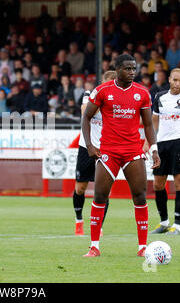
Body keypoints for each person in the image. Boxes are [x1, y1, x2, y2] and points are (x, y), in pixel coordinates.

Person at [82, 54, 160, 257]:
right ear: (117, 69)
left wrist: (154, 149)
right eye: (127, 68)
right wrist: (90, 145)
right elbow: (86, 117)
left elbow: (149, 125)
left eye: (134, 68)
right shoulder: (102, 91)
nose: (132, 72)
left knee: (140, 196)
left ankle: (142, 248)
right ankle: (94, 246)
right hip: (108, 150)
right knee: (100, 195)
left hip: (133, 150)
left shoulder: (142, 93)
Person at [150, 68, 180, 235]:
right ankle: (164, 222)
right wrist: (148, 142)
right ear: (170, 79)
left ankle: (177, 225)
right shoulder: (159, 97)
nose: (178, 84)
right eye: (175, 80)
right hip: (161, 145)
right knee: (157, 184)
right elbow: (154, 122)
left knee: (179, 183)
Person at [72, 71, 116, 236]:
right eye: (109, 83)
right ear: (103, 82)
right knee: (80, 187)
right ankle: (79, 221)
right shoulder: (90, 94)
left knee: (103, 190)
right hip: (86, 147)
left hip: (106, 149)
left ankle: (99, 226)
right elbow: (85, 111)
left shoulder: (117, 102)